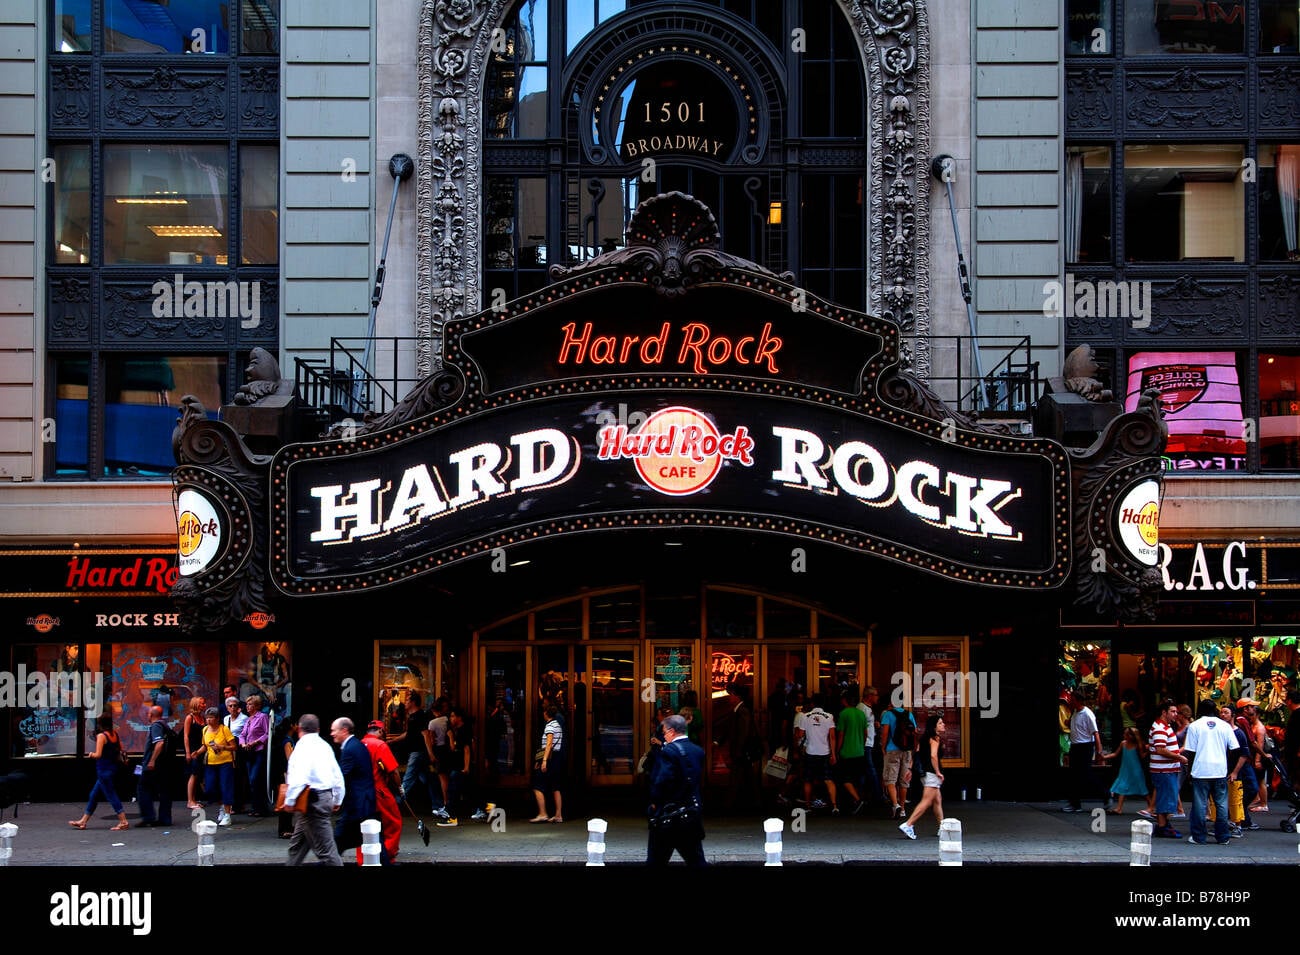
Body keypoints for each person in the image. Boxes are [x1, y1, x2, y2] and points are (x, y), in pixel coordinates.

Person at [1182, 700, 1246, 846]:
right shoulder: (1225, 726)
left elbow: (1190, 751)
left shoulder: (1194, 726)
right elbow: (1235, 749)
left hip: (1200, 770)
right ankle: (1223, 836)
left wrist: (1189, 772)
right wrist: (1228, 765)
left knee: (1200, 805)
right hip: (1219, 770)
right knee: (1222, 805)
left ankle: (1199, 837)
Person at [646, 713, 706, 867]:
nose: (664, 737)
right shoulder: (698, 751)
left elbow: (662, 782)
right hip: (691, 814)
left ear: (671, 731)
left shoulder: (668, 752)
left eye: (664, 732)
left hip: (669, 815)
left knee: (656, 861)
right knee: (696, 861)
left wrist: (654, 804)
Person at [284, 714, 345, 866]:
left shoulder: (302, 747)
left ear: (299, 729)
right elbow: (337, 775)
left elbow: (299, 777)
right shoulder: (325, 746)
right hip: (322, 798)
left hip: (311, 802)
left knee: (327, 853)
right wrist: (337, 798)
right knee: (296, 847)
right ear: (317, 729)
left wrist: (290, 800)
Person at [69, 713, 129, 831]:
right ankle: (83, 821)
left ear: (100, 724)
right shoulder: (115, 735)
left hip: (103, 770)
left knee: (111, 795)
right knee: (94, 795)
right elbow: (122, 750)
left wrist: (91, 754)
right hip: (112, 769)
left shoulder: (102, 736)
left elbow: (98, 754)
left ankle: (123, 821)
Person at [330, 717, 375, 860]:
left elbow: (341, 777)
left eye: (334, 730)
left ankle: (329, 862)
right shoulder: (356, 745)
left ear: (344, 730)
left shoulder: (350, 748)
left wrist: (333, 798)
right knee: (370, 841)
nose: (332, 733)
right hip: (362, 801)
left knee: (339, 840)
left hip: (358, 804)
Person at [360, 720, 403, 862]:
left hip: (360, 792)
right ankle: (388, 853)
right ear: (380, 731)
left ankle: (364, 858)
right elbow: (393, 771)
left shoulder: (358, 744)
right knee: (393, 821)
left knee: (363, 825)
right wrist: (399, 788)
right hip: (378, 790)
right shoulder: (379, 745)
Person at [899, 714, 945, 839]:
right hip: (931, 773)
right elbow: (933, 756)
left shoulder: (923, 738)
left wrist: (910, 769)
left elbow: (917, 754)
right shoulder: (935, 738)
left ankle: (942, 828)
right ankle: (908, 824)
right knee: (926, 801)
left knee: (937, 800)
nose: (943, 724)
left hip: (924, 773)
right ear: (934, 726)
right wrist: (938, 772)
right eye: (940, 723)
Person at [1146, 700, 1185, 839]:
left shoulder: (1165, 726)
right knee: (1165, 798)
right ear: (1164, 712)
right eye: (1172, 711)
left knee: (1168, 797)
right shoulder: (1159, 728)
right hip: (1163, 770)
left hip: (1167, 769)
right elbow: (1160, 749)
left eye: (1176, 711)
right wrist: (1179, 757)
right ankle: (1162, 827)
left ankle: (1164, 824)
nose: (1175, 714)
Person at [794, 694, 837, 813]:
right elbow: (832, 737)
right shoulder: (829, 717)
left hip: (810, 752)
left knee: (808, 780)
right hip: (825, 752)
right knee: (828, 779)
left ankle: (808, 806)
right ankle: (834, 806)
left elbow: (800, 735)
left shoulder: (805, 716)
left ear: (812, 703)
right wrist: (833, 754)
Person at [136, 705, 175, 828]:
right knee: (164, 791)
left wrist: (152, 761)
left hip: (154, 766)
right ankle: (165, 818)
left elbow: (159, 743)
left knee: (143, 788)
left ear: (150, 715)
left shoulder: (156, 726)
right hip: (165, 765)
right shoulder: (165, 725)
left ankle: (148, 817)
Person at [1063, 692, 1103, 812]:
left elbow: (1095, 732)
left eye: (1072, 700)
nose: (1070, 702)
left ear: (1078, 701)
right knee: (1074, 776)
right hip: (1075, 746)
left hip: (1085, 747)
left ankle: (1105, 794)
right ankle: (1075, 804)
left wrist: (1099, 749)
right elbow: (1073, 725)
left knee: (1085, 774)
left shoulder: (1087, 714)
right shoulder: (1075, 712)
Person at [880, 702, 916, 819]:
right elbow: (914, 733)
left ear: (890, 703)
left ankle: (895, 805)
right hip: (907, 751)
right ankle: (903, 809)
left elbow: (885, 732)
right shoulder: (909, 714)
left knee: (890, 780)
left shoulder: (887, 714)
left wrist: (883, 747)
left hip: (892, 750)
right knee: (903, 781)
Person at [202, 706, 237, 827]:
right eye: (207, 718)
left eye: (211, 718)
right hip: (210, 764)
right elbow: (205, 745)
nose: (209, 720)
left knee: (226, 787)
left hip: (225, 763)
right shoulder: (205, 730)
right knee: (210, 788)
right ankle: (222, 806)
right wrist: (197, 752)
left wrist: (222, 747)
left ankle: (227, 814)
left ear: (217, 719)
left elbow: (234, 746)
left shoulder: (224, 729)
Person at [530, 703, 564, 823]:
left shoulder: (549, 726)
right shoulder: (557, 725)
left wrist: (543, 760)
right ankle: (558, 815)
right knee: (556, 786)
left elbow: (548, 744)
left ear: (546, 713)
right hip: (556, 758)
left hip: (550, 759)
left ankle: (543, 813)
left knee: (537, 785)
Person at [835, 688, 868, 814]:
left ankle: (857, 800)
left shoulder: (844, 714)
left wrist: (837, 750)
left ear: (844, 700)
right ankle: (856, 800)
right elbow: (865, 733)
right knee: (856, 778)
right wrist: (862, 745)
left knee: (844, 778)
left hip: (847, 752)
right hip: (859, 751)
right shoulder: (861, 714)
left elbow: (841, 734)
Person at [1103, 726, 1148, 814]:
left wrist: (1148, 750)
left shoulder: (1137, 745)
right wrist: (1104, 757)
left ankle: (1150, 805)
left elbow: (1142, 756)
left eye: (1126, 734)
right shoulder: (1123, 743)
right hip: (1125, 769)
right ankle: (1119, 808)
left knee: (1142, 787)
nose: (1124, 735)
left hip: (1135, 770)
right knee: (1122, 786)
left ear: (1131, 736)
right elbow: (1115, 754)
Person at [240, 694, 271, 816]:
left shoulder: (262, 717)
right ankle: (255, 808)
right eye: (247, 704)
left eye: (250, 704)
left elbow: (268, 733)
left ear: (257, 706)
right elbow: (242, 735)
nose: (247, 706)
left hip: (258, 751)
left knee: (255, 779)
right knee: (251, 781)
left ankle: (261, 808)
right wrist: (243, 744)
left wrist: (256, 742)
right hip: (249, 752)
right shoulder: (248, 719)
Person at [182, 695, 207, 810]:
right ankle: (189, 800)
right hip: (193, 749)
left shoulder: (203, 718)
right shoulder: (190, 718)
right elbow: (186, 736)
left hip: (202, 748)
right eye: (202, 703)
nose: (204, 705)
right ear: (196, 704)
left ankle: (194, 799)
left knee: (197, 774)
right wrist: (187, 752)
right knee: (193, 773)